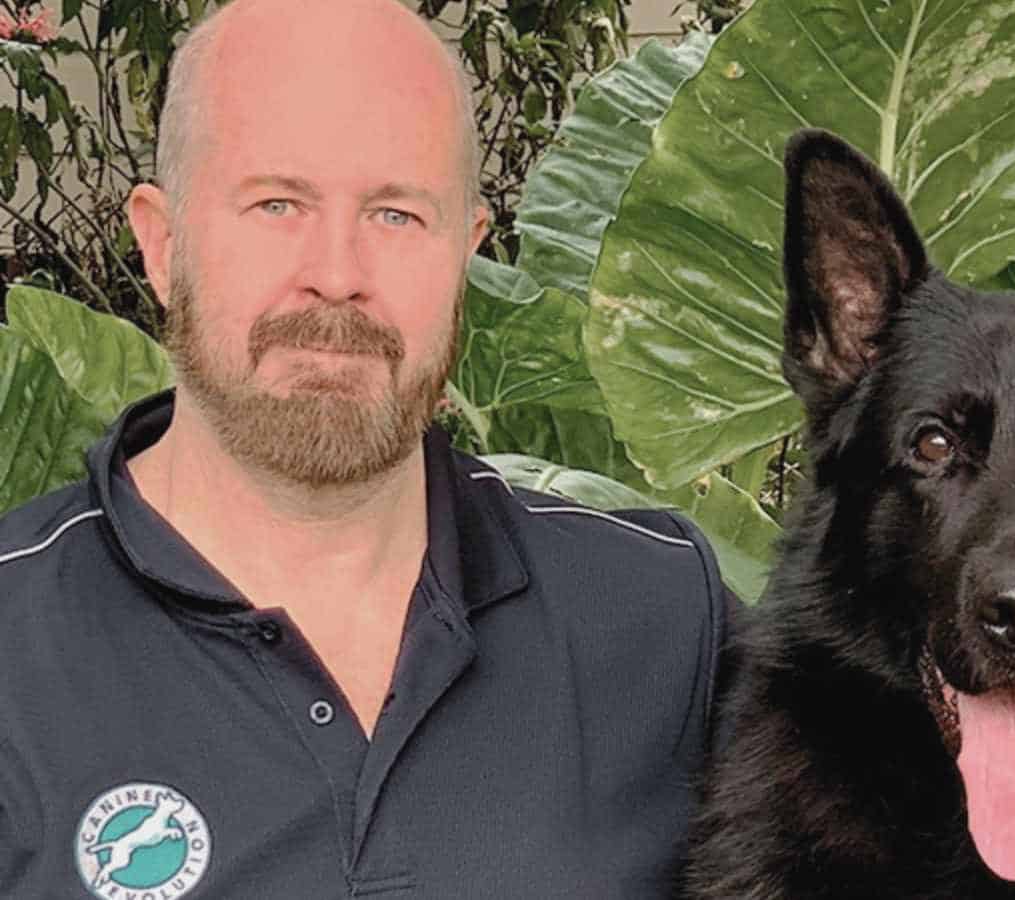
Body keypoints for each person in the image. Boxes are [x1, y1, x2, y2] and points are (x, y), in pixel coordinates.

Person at [0, 1, 728, 897]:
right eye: (277, 204)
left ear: (464, 255)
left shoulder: (660, 617)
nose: (337, 275)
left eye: (395, 215)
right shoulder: (14, 639)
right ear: (161, 243)